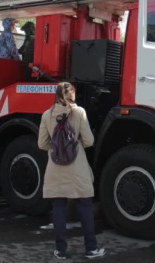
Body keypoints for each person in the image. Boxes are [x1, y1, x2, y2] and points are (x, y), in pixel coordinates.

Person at [38, 82, 106, 260]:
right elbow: (89, 140)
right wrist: (75, 146)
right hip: (77, 166)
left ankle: (60, 250)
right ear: (70, 95)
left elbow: (41, 144)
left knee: (59, 208)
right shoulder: (79, 112)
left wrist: (56, 148)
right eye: (73, 91)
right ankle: (91, 248)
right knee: (84, 206)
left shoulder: (47, 115)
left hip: (55, 168)